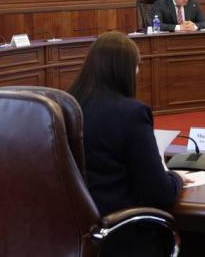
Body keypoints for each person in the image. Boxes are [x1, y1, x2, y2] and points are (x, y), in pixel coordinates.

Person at [68, 32, 184, 250]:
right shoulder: (131, 113)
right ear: (125, 69)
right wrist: (176, 178)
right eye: (137, 66)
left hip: (71, 238)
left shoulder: (66, 107)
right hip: (121, 235)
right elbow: (159, 193)